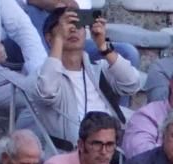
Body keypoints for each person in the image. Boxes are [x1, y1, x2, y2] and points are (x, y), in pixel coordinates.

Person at [29, 6, 142, 151]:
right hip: (69, 155)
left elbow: (132, 84)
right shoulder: (40, 76)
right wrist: (59, 39)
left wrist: (103, 46)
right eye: (65, 26)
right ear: (49, 38)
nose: (73, 30)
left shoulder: (98, 69)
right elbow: (47, 92)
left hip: (108, 151)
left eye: (79, 25)